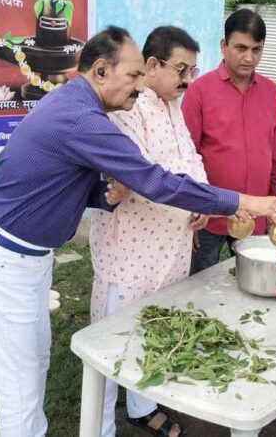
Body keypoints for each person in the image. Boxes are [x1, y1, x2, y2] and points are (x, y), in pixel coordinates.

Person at [0, 26, 276, 437]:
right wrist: (246, 202)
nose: (140, 89)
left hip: (25, 256)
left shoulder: (82, 107)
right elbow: (157, 181)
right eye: (134, 76)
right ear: (101, 71)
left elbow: (57, 182)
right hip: (6, 258)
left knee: (33, 361)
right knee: (19, 381)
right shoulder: (84, 119)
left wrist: (105, 195)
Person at [89, 26, 208, 437]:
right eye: (181, 69)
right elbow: (145, 175)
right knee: (112, 338)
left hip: (170, 244)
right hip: (131, 247)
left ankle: (143, 406)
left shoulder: (174, 105)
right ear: (152, 65)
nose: (188, 79)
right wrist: (202, 197)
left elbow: (190, 159)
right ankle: (98, 424)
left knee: (156, 326)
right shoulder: (129, 105)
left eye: (193, 70)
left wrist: (201, 200)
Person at [183, 9, 276, 274]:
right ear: (223, 46)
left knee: (252, 283)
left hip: (258, 216)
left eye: (256, 50)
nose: (248, 57)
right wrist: (194, 209)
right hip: (209, 216)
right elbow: (187, 155)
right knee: (200, 284)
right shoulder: (199, 90)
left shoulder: (271, 91)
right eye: (241, 48)